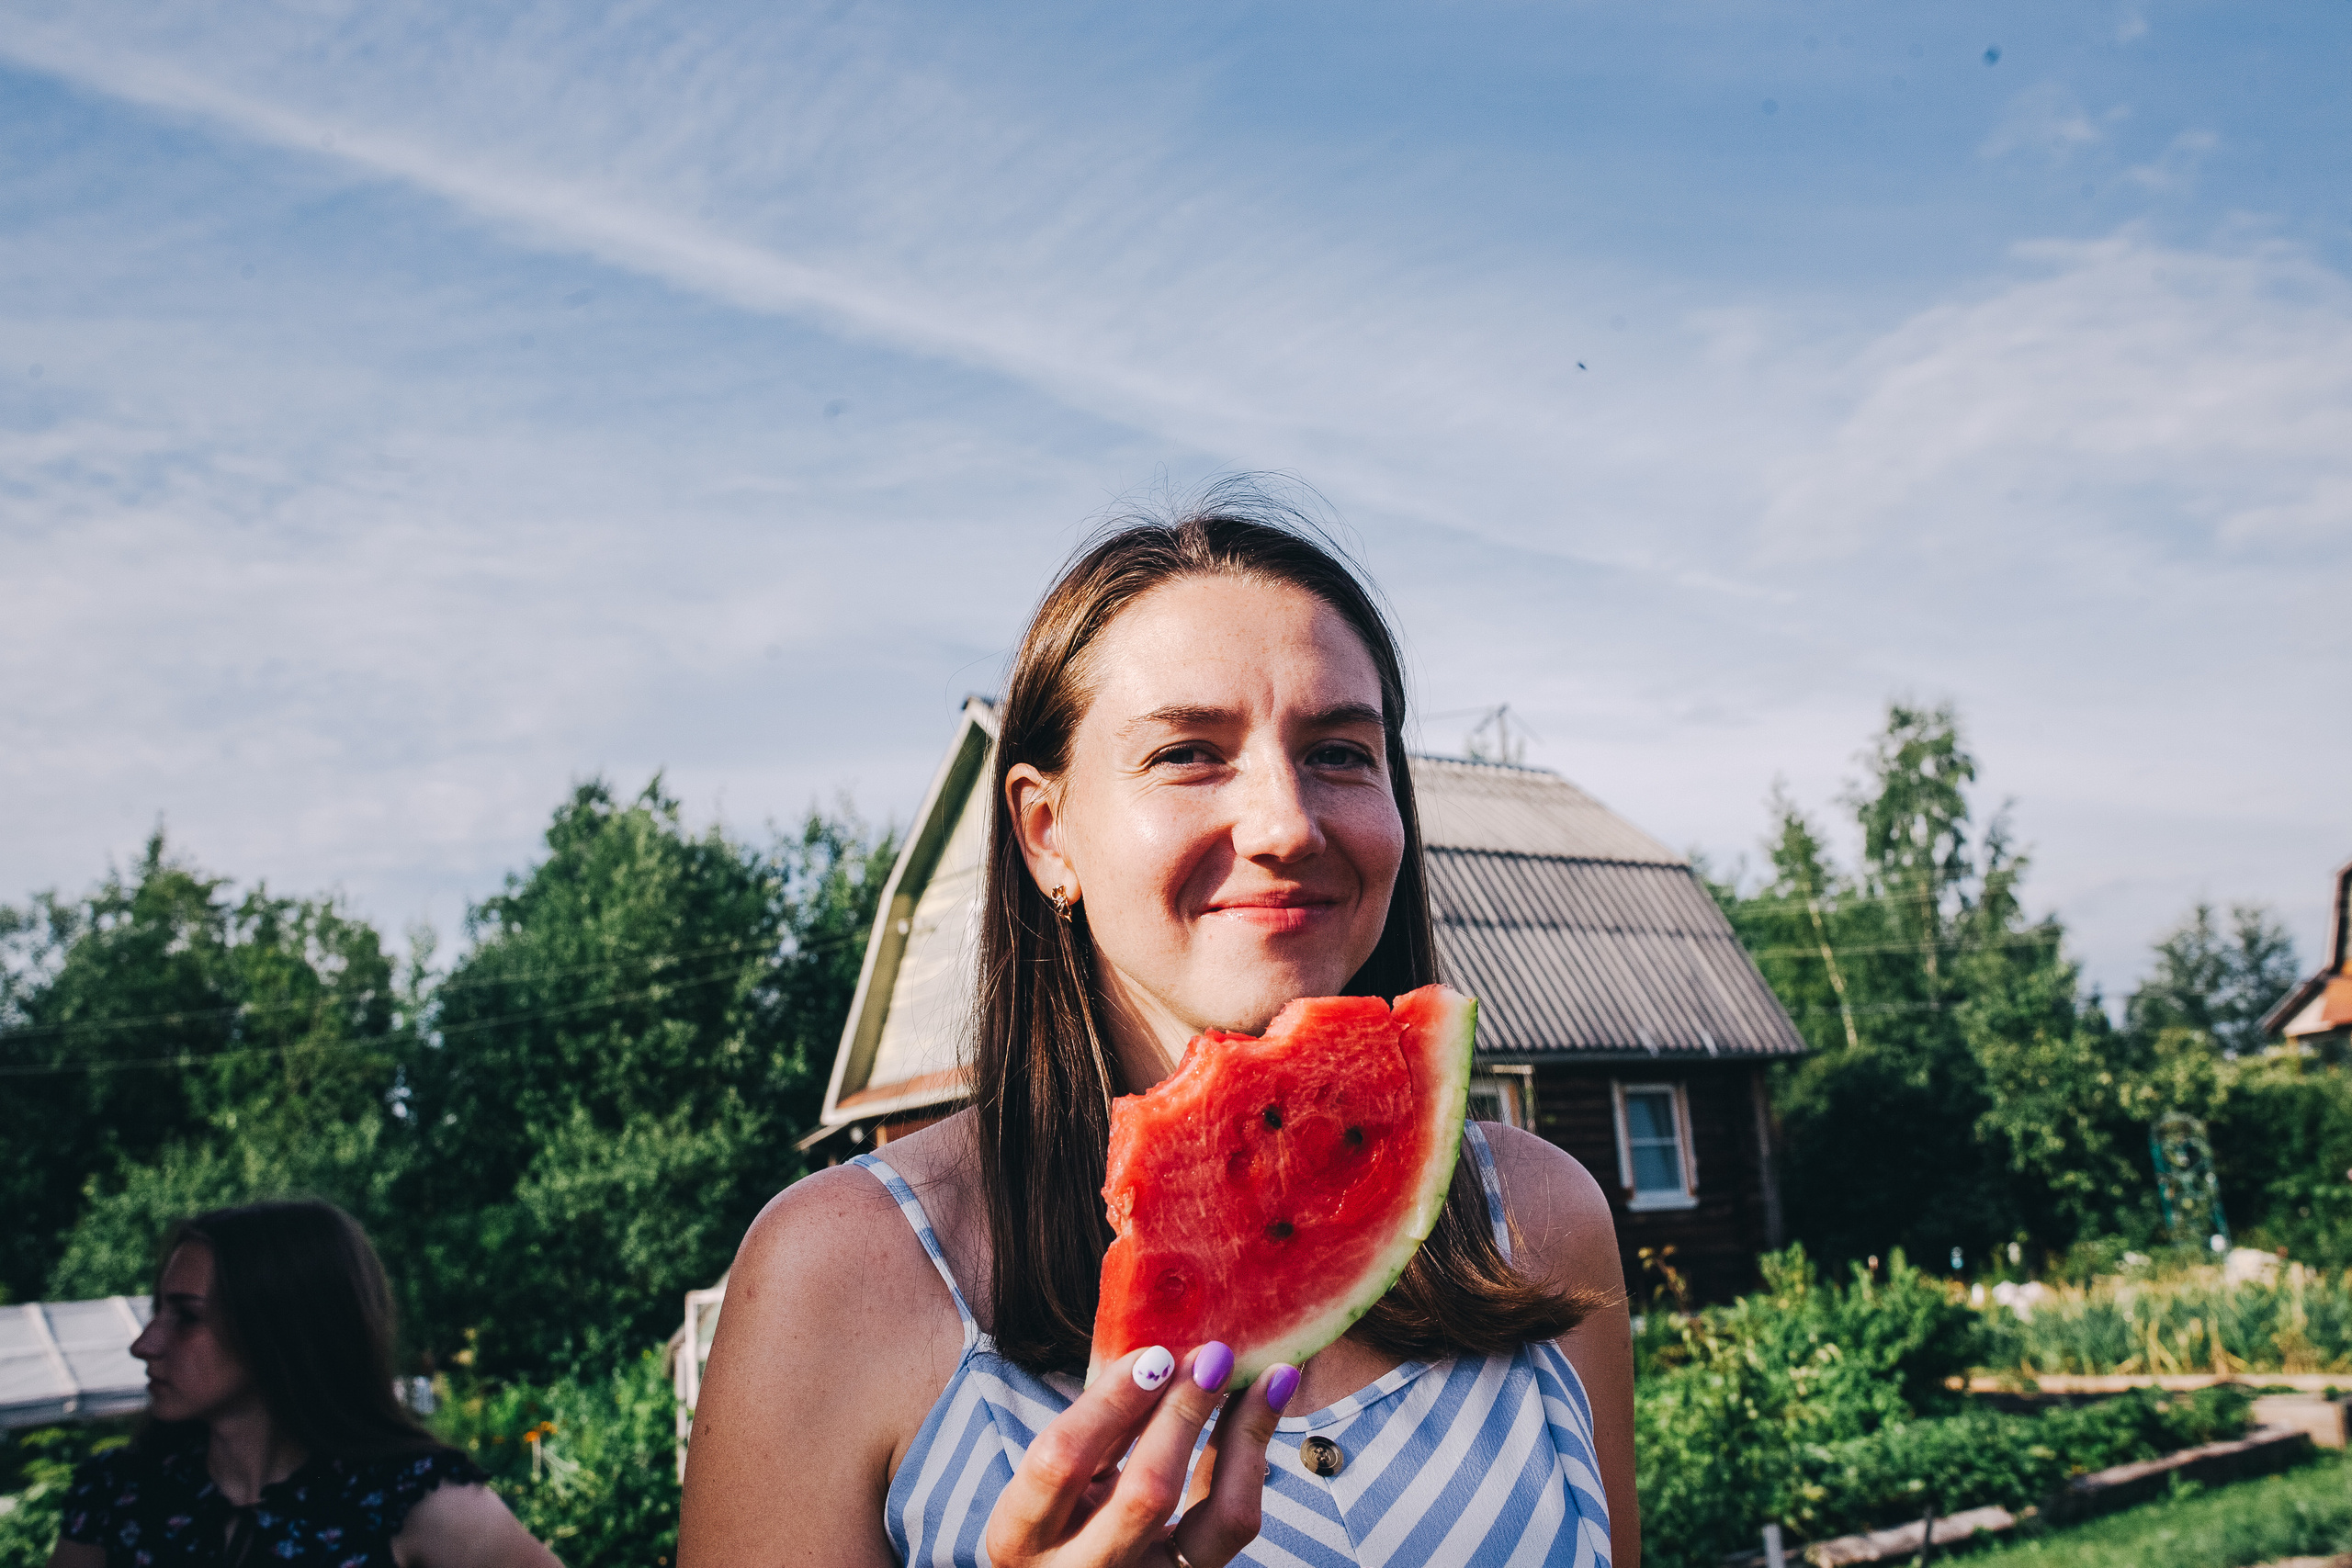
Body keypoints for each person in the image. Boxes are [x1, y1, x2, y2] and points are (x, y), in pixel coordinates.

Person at [680, 489, 1638, 1568]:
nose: (1286, 823)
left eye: (1339, 752)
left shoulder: (1544, 1217)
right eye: (1187, 753)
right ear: (1047, 835)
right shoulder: (837, 1276)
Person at [51, 1199, 561, 1568]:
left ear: (278, 1330)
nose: (145, 1344)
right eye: (158, 1310)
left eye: (186, 1316)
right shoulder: (119, 1496)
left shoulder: (410, 1499)